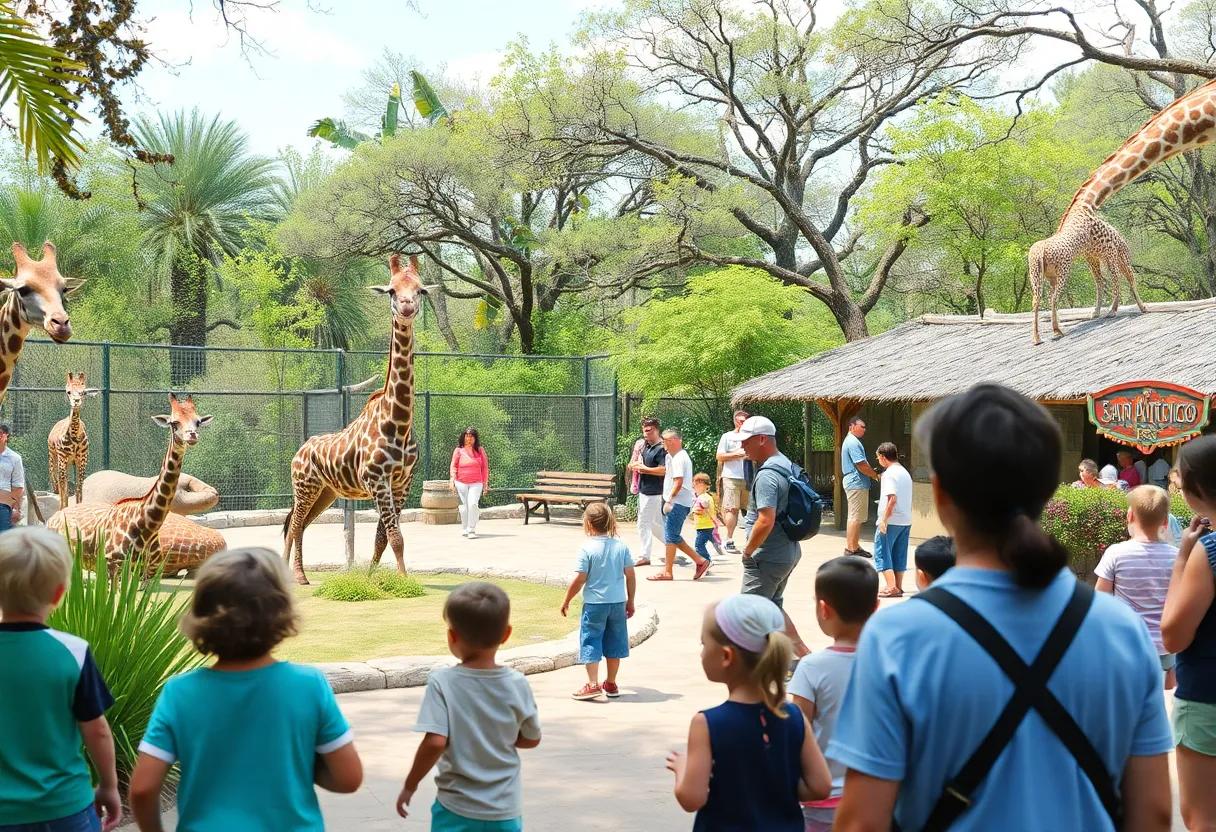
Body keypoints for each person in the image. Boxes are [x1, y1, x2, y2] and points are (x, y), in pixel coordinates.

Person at [831, 383, 1173, 832]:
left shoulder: (898, 636)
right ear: (1048, 492)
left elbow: (861, 822)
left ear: (942, 494)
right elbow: (1153, 813)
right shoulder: (1121, 631)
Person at [129, 547, 363, 831]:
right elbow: (348, 777)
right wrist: (297, 766)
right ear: (283, 613)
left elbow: (142, 789)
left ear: (201, 616)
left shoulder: (179, 692)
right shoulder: (308, 685)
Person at [666, 594, 831, 831]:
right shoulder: (793, 715)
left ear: (726, 656)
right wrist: (774, 786)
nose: (702, 653)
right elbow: (820, 786)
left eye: (704, 644)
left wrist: (682, 767)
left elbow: (692, 798)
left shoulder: (707, 723)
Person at [0, 527, 121, 832]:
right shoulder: (74, 652)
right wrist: (108, 785)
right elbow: (97, 731)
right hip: (65, 810)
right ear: (58, 593)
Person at [398, 581, 541, 830]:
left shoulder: (443, 682)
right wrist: (500, 735)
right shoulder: (518, 683)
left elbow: (434, 742)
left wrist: (410, 785)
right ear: (506, 634)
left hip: (456, 809)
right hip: (504, 812)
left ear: (451, 636)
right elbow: (531, 739)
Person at [789, 557, 879, 832]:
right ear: (876, 607)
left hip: (822, 799)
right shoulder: (890, 662)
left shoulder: (812, 667)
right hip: (877, 796)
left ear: (823, 609)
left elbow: (797, 733)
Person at [1162, 435, 1216, 832]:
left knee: (1202, 818)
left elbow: (1174, 636)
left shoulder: (1208, 551)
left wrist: (1183, 557)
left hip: (1207, 702)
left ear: (1196, 487)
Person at [739, 415, 809, 657]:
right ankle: (805, 657)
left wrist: (749, 550)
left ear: (761, 439)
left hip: (767, 557)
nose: (742, 446)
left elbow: (765, 520)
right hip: (787, 551)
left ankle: (757, 670)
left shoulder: (768, 475)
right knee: (772, 607)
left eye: (746, 441)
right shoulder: (785, 463)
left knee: (749, 612)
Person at [1095, 485, 1178, 691]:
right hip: (1164, 646)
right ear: (1166, 522)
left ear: (1129, 516)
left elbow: (1100, 601)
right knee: (1158, 693)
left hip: (1125, 643)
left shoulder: (1116, 553)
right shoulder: (1177, 557)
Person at [561, 502, 636, 701]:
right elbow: (630, 575)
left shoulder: (587, 548)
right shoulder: (621, 546)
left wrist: (567, 599)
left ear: (587, 523)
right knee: (615, 642)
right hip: (618, 603)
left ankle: (593, 684)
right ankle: (611, 683)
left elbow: (580, 578)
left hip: (594, 605)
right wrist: (631, 601)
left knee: (591, 640)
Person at [647, 429, 711, 582]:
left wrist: (669, 500)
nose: (663, 446)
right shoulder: (674, 457)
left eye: (665, 442)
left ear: (674, 440)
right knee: (670, 536)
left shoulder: (679, 458)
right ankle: (667, 572)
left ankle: (700, 561)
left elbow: (678, 482)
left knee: (672, 536)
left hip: (677, 503)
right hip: (678, 502)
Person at [874, 442, 913, 598]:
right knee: (899, 554)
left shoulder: (889, 474)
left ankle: (890, 586)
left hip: (892, 520)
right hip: (905, 520)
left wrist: (883, 520)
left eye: (878, 458)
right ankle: (898, 586)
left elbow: (892, 499)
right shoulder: (904, 472)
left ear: (883, 457)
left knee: (882, 552)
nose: (878, 461)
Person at [628, 417, 667, 567]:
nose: (646, 434)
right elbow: (636, 463)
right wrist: (635, 465)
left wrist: (644, 469)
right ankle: (673, 544)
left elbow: (664, 470)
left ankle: (644, 556)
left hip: (656, 492)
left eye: (649, 431)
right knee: (656, 524)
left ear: (657, 430)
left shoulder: (661, 448)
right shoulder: (644, 446)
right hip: (643, 491)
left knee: (643, 523)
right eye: (644, 431)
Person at [840, 416, 878, 558]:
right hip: (856, 482)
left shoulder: (852, 441)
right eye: (862, 426)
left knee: (857, 517)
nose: (864, 429)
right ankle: (851, 549)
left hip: (857, 482)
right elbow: (861, 464)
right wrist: (876, 475)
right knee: (855, 517)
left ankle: (855, 546)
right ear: (852, 426)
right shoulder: (853, 442)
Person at [716, 410, 750, 552]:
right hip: (731, 477)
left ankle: (751, 540)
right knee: (732, 508)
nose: (743, 424)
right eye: (741, 421)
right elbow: (719, 456)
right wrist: (737, 454)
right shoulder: (728, 437)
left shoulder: (751, 436)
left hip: (749, 476)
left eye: (746, 421)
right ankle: (728, 539)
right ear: (735, 422)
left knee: (750, 510)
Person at [449, 427, 489, 539]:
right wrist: (452, 480)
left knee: (473, 504)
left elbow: (485, 468)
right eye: (467, 436)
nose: (469, 438)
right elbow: (453, 465)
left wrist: (485, 484)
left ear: (475, 438)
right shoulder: (458, 451)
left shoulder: (480, 451)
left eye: (471, 436)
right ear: (463, 437)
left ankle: (472, 529)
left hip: (476, 482)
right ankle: (465, 527)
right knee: (464, 506)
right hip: (461, 482)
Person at [691, 472, 723, 564]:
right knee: (708, 538)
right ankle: (716, 543)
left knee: (699, 545)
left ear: (701, 484)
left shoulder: (702, 498)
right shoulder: (708, 496)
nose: (694, 487)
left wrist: (693, 510)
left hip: (703, 526)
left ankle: (706, 562)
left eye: (695, 484)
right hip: (709, 525)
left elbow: (700, 510)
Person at [0, 423, 25, 531]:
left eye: (0, 433)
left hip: (3, 507)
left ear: (7, 436)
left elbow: (18, 487)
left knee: (4, 542)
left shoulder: (14, 458)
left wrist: (16, 509)